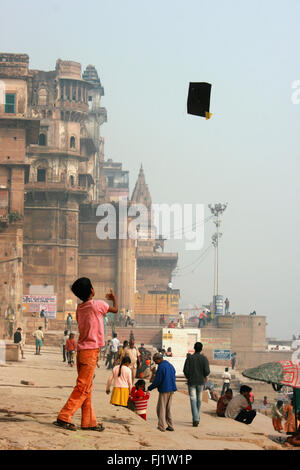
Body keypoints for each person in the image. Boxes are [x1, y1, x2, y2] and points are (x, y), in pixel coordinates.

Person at [54, 277, 118, 432]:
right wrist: (114, 298)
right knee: (83, 387)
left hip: (82, 350)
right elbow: (115, 310)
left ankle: (89, 422)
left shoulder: (79, 308)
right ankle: (64, 415)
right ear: (92, 290)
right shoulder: (99, 305)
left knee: (87, 387)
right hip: (90, 351)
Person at [148, 352, 177, 432]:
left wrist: (149, 388)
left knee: (161, 408)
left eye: (155, 361)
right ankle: (170, 425)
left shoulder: (161, 367)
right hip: (171, 389)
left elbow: (157, 381)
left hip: (164, 389)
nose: (155, 363)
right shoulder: (170, 366)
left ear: (159, 359)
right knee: (168, 408)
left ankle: (161, 426)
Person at [183, 342, 210, 427]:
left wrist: (189, 377)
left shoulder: (190, 358)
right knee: (199, 400)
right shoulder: (204, 359)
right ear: (201, 349)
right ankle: (196, 417)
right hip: (201, 382)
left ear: (194, 348)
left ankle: (196, 418)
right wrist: (204, 376)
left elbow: (185, 370)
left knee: (193, 400)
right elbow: (207, 371)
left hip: (191, 382)